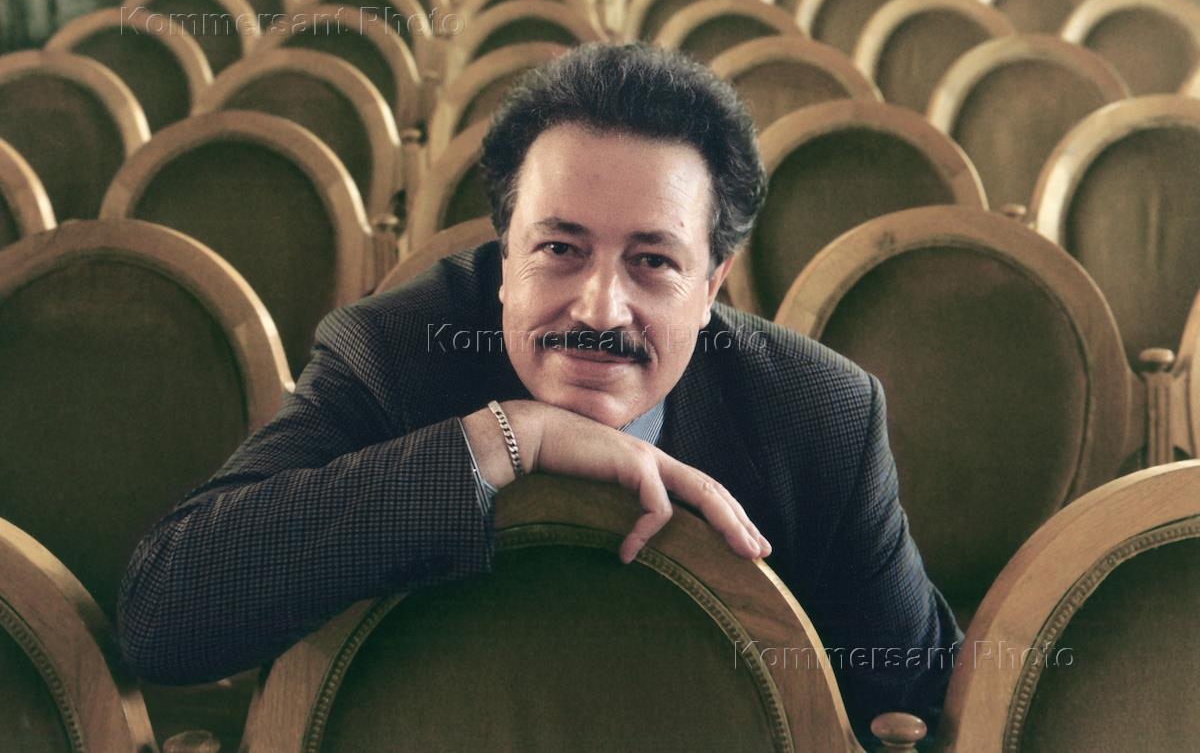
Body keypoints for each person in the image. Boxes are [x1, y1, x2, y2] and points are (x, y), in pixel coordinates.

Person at [117, 42, 961, 741]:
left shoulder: (820, 415)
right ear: (505, 256)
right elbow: (164, 615)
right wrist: (501, 440)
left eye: (653, 260)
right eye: (560, 249)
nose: (600, 308)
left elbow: (916, 702)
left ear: (712, 285)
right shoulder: (391, 359)